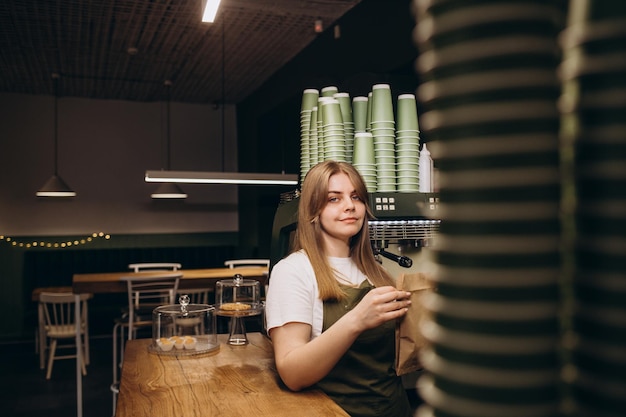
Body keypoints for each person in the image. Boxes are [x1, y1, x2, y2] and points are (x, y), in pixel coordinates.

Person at [265, 160, 413, 417]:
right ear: (313, 210)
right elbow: (292, 373)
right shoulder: (293, 272)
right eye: (334, 199)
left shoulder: (378, 272)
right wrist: (356, 320)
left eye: (356, 197)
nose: (350, 206)